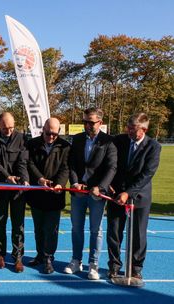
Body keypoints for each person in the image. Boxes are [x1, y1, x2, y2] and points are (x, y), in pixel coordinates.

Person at [65, 108, 117, 280]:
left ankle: (93, 264)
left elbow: (111, 167)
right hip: (78, 192)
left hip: (96, 194)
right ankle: (76, 260)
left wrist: (101, 187)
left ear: (100, 123)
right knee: (76, 228)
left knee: (96, 230)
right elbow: (71, 164)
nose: (87, 125)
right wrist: (74, 183)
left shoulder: (109, 141)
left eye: (91, 122)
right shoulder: (77, 139)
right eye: (85, 122)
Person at [107, 113, 161, 280]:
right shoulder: (119, 140)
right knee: (114, 233)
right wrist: (109, 184)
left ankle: (136, 268)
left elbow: (147, 174)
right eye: (128, 127)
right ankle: (114, 266)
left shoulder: (153, 146)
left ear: (144, 129)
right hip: (116, 194)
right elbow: (111, 164)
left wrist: (128, 193)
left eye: (133, 129)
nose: (129, 131)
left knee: (138, 235)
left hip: (139, 197)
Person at [26, 118, 70, 274]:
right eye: (48, 133)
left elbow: (66, 168)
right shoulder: (32, 144)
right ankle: (40, 255)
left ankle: (49, 258)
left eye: (54, 134)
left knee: (51, 229)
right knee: (39, 228)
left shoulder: (65, 146)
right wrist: (40, 179)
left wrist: (59, 184)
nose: (51, 136)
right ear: (42, 129)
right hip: (37, 193)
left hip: (55, 195)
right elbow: (29, 163)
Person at [0, 112, 29, 273]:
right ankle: (0, 255)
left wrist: (24, 179)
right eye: (5, 127)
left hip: (17, 189)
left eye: (11, 127)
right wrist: (7, 177)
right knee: (0, 222)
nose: (8, 130)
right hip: (0, 188)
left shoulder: (21, 138)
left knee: (18, 224)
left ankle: (18, 256)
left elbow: (23, 161)